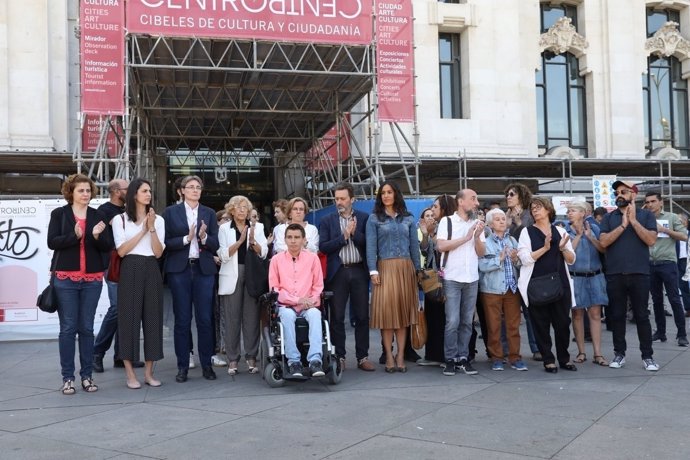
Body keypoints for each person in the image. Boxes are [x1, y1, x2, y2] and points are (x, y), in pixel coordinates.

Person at [48, 174, 111, 395]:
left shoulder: (98, 215)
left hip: (92, 279)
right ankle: (68, 378)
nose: (85, 194)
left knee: (86, 328)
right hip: (65, 279)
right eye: (81, 190)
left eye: (88, 190)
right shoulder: (60, 214)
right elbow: (52, 242)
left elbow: (107, 246)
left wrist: (95, 236)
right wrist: (73, 237)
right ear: (71, 193)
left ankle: (87, 376)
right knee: (67, 329)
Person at [162, 175, 220, 383]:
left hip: (203, 269)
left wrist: (203, 237)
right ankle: (182, 366)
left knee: (205, 319)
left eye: (198, 187)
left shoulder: (209, 214)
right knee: (182, 320)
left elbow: (215, 243)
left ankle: (206, 364)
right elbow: (165, 242)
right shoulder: (170, 213)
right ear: (182, 190)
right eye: (191, 187)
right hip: (180, 270)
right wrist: (187, 238)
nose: (195, 190)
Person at [599, 180, 659, 371]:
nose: (619, 195)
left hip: (639, 273)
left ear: (634, 194)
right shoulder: (610, 218)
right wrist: (623, 225)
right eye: (616, 192)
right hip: (615, 274)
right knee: (617, 316)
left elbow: (650, 239)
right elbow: (603, 242)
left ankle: (647, 356)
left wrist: (633, 221)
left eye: (624, 191)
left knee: (642, 316)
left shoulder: (646, 215)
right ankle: (619, 354)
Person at [113, 178, 166, 389]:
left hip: (151, 267)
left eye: (150, 191)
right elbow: (122, 251)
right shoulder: (120, 220)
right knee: (128, 321)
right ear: (134, 194)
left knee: (153, 319)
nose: (149, 194)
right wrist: (143, 229)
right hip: (130, 267)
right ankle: (130, 374)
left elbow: (159, 252)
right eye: (144, 191)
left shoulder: (159, 220)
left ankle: (148, 373)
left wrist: (151, 228)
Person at [366, 181, 421, 373]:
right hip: (385, 268)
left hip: (406, 269)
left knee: (403, 315)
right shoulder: (374, 219)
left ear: (396, 194)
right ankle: (388, 355)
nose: (386, 196)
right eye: (383, 193)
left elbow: (414, 246)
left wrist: (417, 271)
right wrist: (373, 271)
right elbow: (370, 247)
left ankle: (400, 355)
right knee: (388, 316)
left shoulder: (408, 218)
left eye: (389, 192)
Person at [517, 196, 577, 373]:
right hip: (536, 284)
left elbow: (572, 260)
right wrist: (544, 247)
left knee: (563, 324)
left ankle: (564, 358)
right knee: (540, 324)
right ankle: (548, 359)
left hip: (560, 285)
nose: (535, 210)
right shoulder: (526, 232)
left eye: (538, 207)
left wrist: (563, 248)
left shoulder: (560, 231)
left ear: (548, 210)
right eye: (532, 208)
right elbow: (525, 259)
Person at [319, 182, 374, 371]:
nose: (339, 202)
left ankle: (362, 356)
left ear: (353, 199)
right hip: (338, 272)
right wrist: (344, 237)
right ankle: (339, 356)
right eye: (337, 199)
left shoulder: (365, 218)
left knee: (362, 316)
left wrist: (354, 233)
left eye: (343, 198)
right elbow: (323, 247)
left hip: (359, 270)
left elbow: (368, 243)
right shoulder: (327, 221)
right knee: (337, 317)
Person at [93, 179, 145, 373]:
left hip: (133, 264)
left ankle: (122, 356)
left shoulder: (130, 211)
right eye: (126, 189)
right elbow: (105, 242)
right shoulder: (104, 212)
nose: (130, 191)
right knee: (117, 309)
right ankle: (96, 353)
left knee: (128, 311)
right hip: (114, 265)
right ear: (116, 191)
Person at [436, 189, 486, 376]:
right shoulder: (446, 221)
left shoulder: (477, 224)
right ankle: (450, 359)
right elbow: (441, 246)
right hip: (451, 278)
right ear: (460, 201)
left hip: (471, 278)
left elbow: (481, 253)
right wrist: (466, 237)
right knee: (452, 321)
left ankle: (463, 358)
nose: (477, 202)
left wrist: (476, 237)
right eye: (473, 198)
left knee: (467, 322)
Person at [217, 195, 269, 375]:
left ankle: (251, 357)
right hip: (231, 274)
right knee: (231, 319)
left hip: (252, 273)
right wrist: (239, 242)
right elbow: (223, 255)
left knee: (252, 318)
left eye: (245, 207)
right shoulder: (224, 228)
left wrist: (253, 242)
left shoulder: (258, 227)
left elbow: (264, 253)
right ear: (231, 210)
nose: (241, 210)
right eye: (238, 207)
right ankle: (232, 359)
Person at [268, 223, 325, 377]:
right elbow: (275, 289)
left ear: (304, 240)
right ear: (285, 240)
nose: (293, 241)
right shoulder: (276, 260)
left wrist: (310, 301)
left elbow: (318, 286)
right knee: (287, 316)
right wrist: (298, 300)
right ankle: (294, 362)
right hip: (286, 306)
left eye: (297, 237)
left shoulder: (313, 259)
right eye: (290, 237)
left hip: (308, 304)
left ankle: (315, 360)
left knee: (315, 315)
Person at [479, 208, 527, 371]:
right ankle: (497, 358)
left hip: (511, 288)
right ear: (490, 224)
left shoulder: (512, 240)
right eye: (498, 219)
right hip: (492, 289)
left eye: (503, 219)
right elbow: (481, 265)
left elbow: (521, 265)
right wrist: (498, 260)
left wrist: (515, 259)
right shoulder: (485, 242)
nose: (502, 221)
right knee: (494, 326)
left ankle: (515, 357)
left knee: (514, 325)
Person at [565, 201, 609, 366]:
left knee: (596, 314)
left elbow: (603, 249)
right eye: (568, 210)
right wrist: (577, 235)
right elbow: (567, 253)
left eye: (573, 210)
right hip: (575, 277)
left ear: (583, 213)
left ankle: (598, 353)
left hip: (595, 276)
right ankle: (581, 351)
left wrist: (590, 237)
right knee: (577, 314)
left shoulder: (595, 228)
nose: (569, 213)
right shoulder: (565, 230)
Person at [643, 192, 689, 347]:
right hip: (650, 264)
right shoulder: (644, 218)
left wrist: (664, 230)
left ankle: (681, 334)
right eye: (647, 202)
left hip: (667, 263)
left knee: (674, 298)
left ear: (661, 202)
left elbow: (683, 236)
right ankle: (660, 332)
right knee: (656, 300)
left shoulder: (671, 217)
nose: (650, 204)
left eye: (653, 201)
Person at [417, 194, 456, 366]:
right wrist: (427, 234)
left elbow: (442, 249)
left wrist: (432, 234)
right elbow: (425, 251)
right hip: (432, 278)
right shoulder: (434, 227)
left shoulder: (449, 225)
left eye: (435, 207)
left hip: (449, 276)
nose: (432, 211)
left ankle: (444, 356)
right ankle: (432, 355)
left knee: (444, 317)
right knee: (431, 315)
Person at [504, 182, 541, 361]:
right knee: (507, 312)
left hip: (526, 268)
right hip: (508, 268)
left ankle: (537, 348)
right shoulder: (504, 215)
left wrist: (518, 223)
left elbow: (532, 236)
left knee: (529, 311)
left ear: (521, 196)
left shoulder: (528, 214)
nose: (508, 197)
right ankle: (504, 349)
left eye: (512, 194)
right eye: (507, 195)